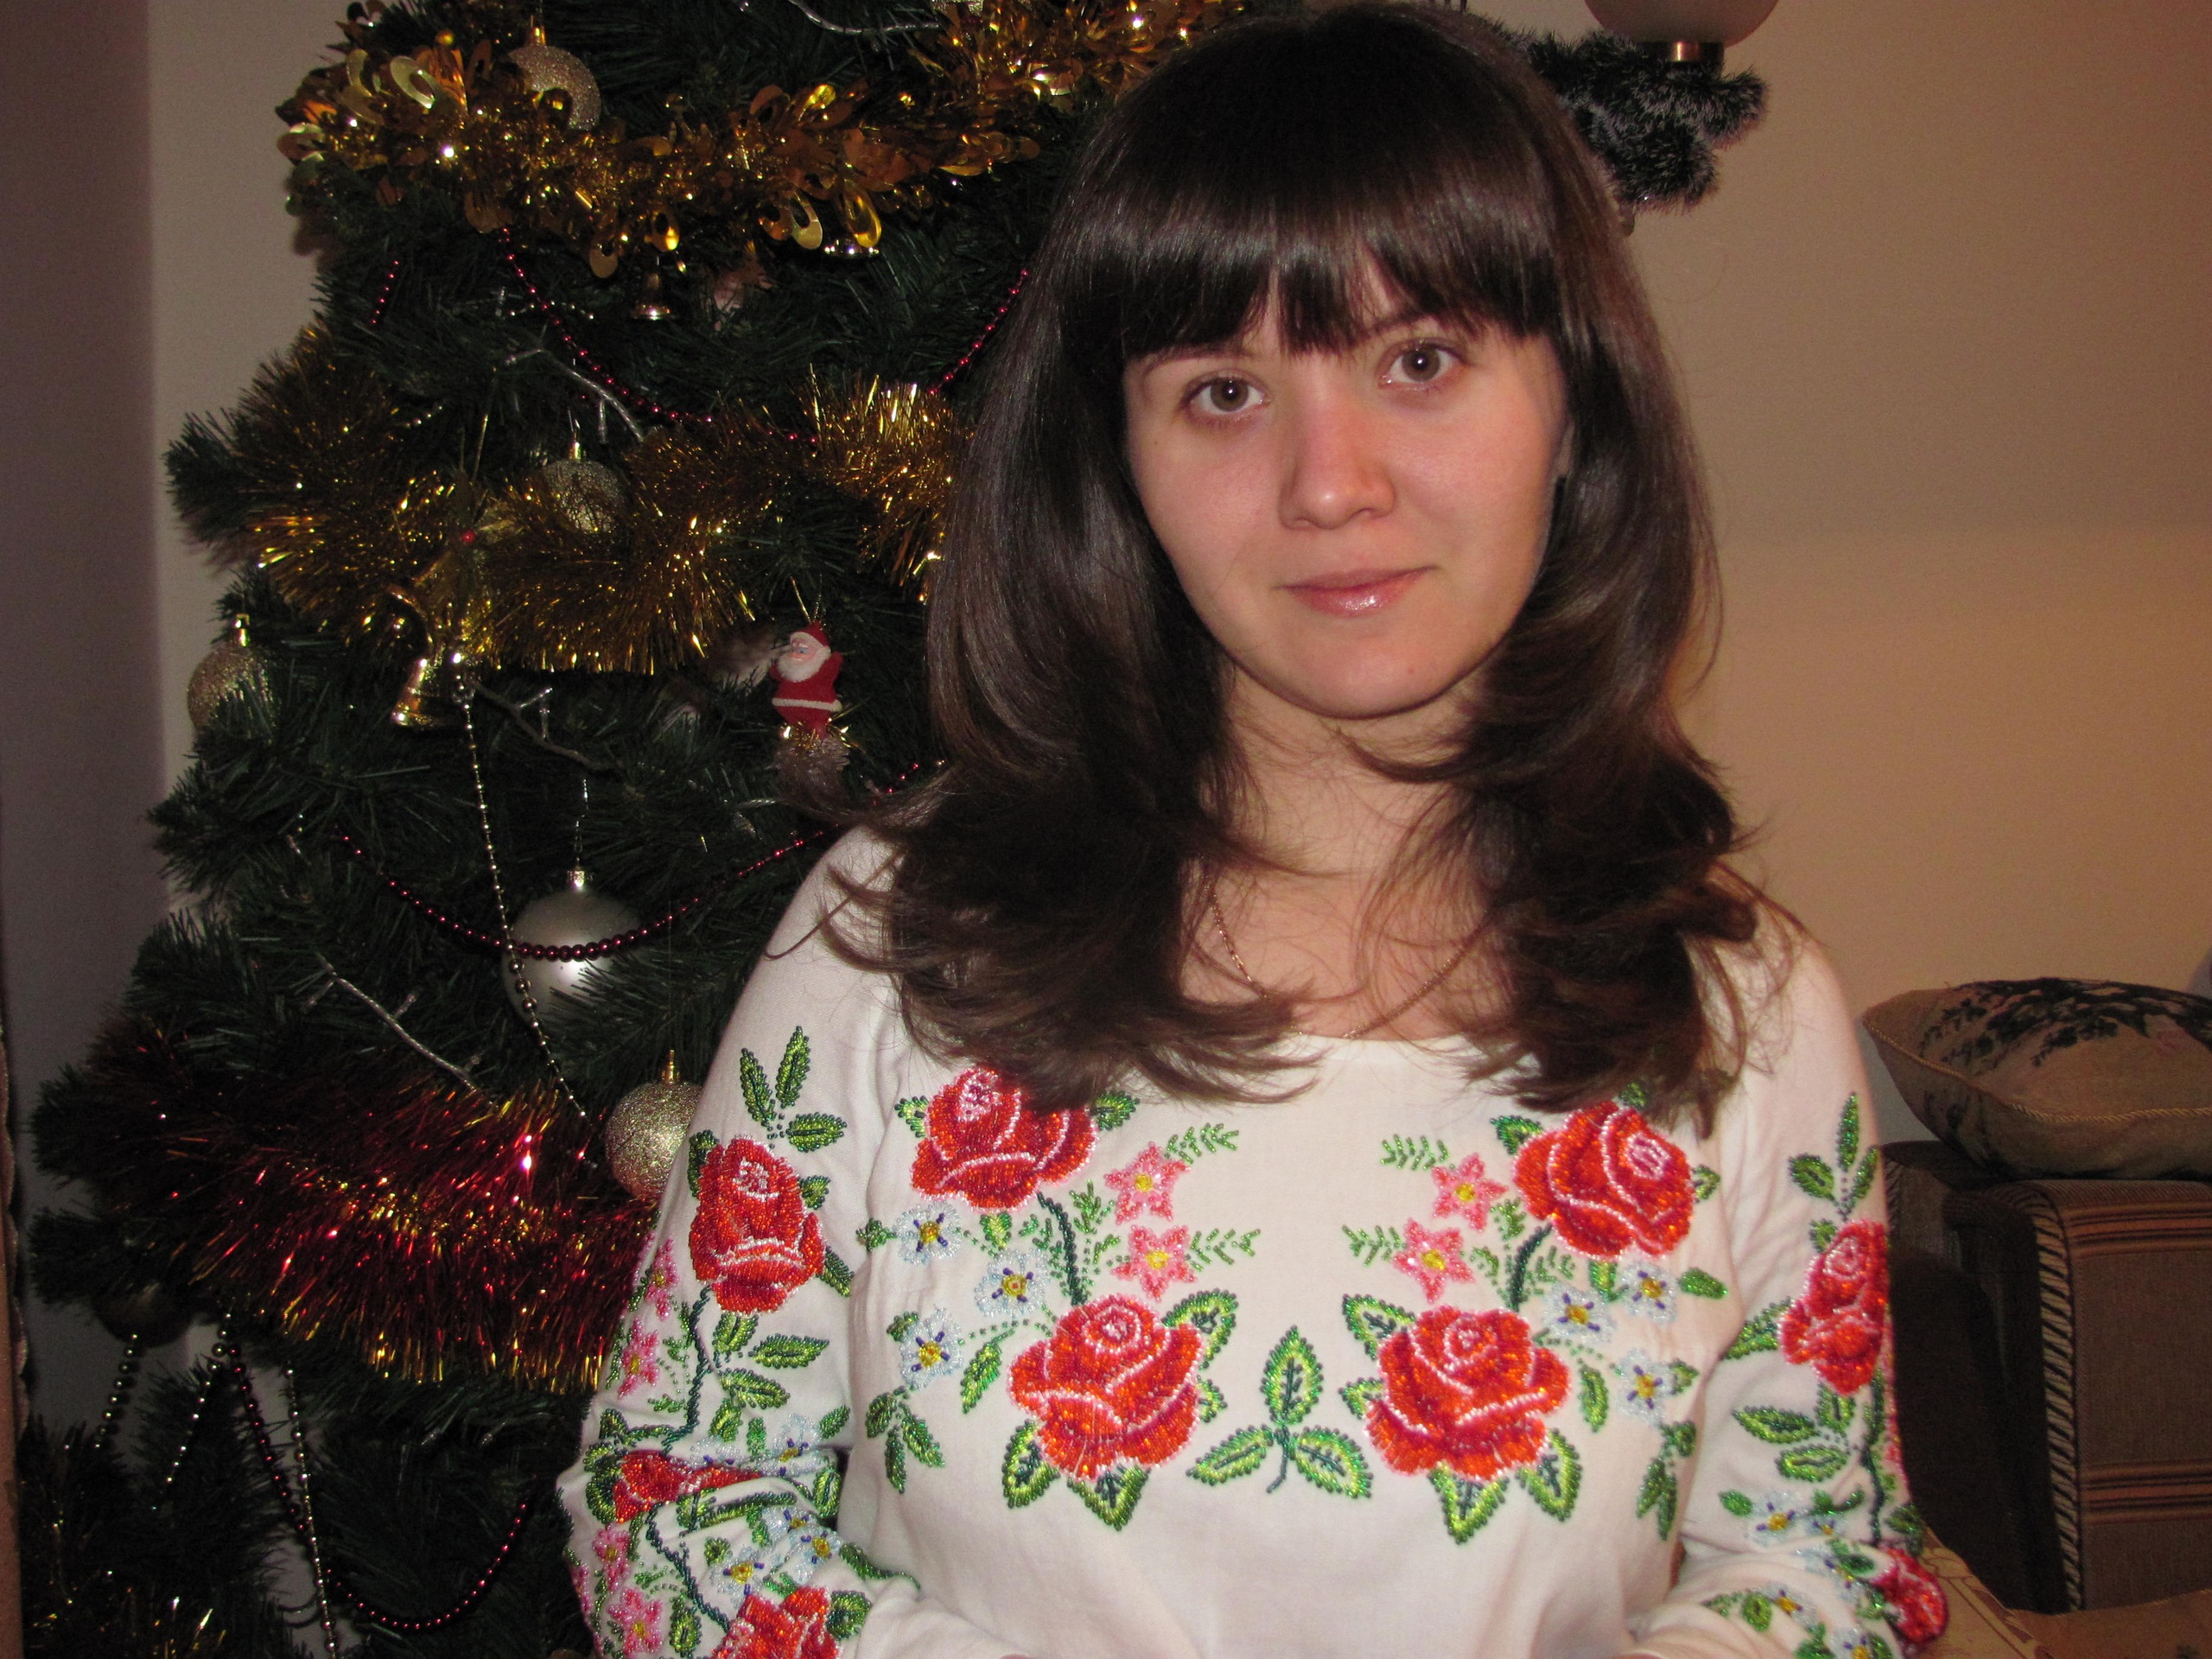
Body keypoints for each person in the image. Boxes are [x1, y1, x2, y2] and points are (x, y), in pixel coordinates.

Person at [559, 7, 1946, 1657]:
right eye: (1223, 391)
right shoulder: (897, 941)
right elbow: (675, 1500)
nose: (1328, 483)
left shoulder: (1743, 1013)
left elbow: (1828, 1567)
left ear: (1574, 402)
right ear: (1121, 459)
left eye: (1419, 361)